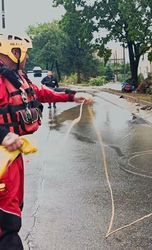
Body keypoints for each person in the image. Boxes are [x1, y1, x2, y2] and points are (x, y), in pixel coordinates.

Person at [0, 33, 93, 249]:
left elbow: (41, 93)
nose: (27, 58)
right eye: (25, 53)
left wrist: (72, 95)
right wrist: (3, 135)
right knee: (6, 223)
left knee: (14, 211)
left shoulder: (16, 77)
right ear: (14, 52)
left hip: (12, 155)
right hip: (2, 158)